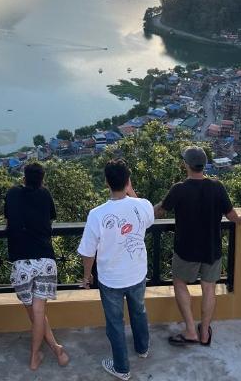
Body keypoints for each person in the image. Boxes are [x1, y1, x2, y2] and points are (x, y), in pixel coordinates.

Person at [155, 147, 241, 347]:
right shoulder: (217, 187)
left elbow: (158, 212)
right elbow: (232, 216)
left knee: (180, 283)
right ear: (204, 165)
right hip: (212, 248)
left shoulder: (179, 189)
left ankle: (190, 330)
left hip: (186, 250)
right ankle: (204, 333)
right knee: (209, 289)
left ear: (186, 164)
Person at [77, 159, 154, 381]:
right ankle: (142, 349)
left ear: (106, 183)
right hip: (137, 273)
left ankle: (121, 368)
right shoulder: (142, 205)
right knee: (139, 311)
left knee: (115, 322)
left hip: (111, 279)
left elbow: (88, 252)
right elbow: (146, 217)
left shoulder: (97, 214)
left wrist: (87, 275)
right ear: (128, 181)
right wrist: (131, 191)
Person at [4, 162, 70, 370]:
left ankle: (37, 355)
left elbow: (9, 216)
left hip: (21, 262)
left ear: (24, 177)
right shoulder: (45, 194)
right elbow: (50, 217)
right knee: (38, 312)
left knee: (34, 313)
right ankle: (54, 349)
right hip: (45, 260)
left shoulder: (13, 194)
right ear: (42, 179)